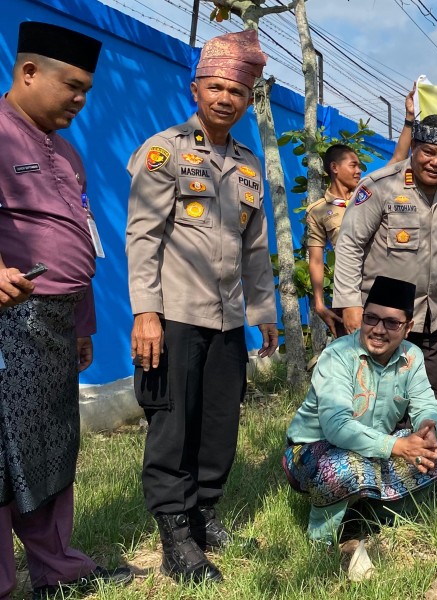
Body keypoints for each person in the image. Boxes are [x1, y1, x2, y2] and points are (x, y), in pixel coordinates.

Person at [125, 29, 279, 584]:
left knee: (219, 423)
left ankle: (204, 515)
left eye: (236, 91)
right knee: (172, 424)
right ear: (196, 89)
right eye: (215, 87)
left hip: (228, 319)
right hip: (175, 315)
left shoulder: (248, 167)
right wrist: (146, 313)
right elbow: (142, 236)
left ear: (247, 100)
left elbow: (254, 248)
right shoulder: (164, 151)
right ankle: (175, 535)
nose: (225, 99)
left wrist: (263, 313)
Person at [0, 21, 134, 599]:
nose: (80, 100)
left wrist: (84, 325)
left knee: (52, 447)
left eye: (87, 90)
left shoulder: (68, 153)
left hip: (57, 324)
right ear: (29, 72)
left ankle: (57, 568)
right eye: (72, 86)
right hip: (9, 325)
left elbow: (82, 237)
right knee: (4, 455)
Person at [283, 276, 437, 580]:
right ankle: (321, 540)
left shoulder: (411, 356)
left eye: (391, 323)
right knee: (347, 466)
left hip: (371, 446)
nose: (378, 329)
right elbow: (337, 427)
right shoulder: (338, 355)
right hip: (311, 451)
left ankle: (373, 517)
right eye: (371, 318)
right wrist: (399, 446)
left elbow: (426, 404)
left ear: (408, 327)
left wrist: (428, 428)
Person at [333, 114, 437, 410]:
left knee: (432, 398)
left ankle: (428, 440)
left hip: (435, 317)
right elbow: (350, 244)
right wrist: (349, 303)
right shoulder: (381, 186)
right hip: (384, 318)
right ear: (414, 147)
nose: (436, 162)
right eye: (428, 152)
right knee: (378, 398)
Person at [305, 87, 416, 336]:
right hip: (350, 296)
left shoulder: (370, 193)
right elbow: (316, 259)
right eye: (353, 165)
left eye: (359, 166)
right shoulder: (319, 210)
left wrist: (409, 119)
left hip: (384, 289)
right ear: (334, 168)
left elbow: (398, 159)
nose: (359, 170)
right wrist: (320, 303)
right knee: (354, 355)